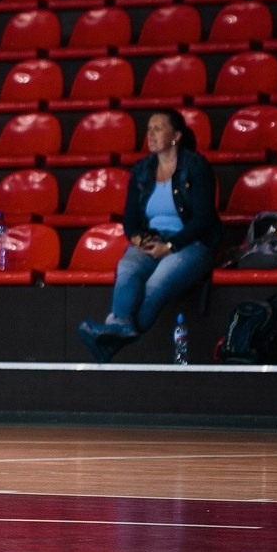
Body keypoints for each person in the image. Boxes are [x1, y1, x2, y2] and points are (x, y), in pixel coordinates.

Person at [78, 109, 223, 363]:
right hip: (154, 239)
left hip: (192, 243)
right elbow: (130, 220)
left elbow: (203, 219)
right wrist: (137, 239)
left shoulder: (196, 166)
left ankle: (114, 335)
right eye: (149, 129)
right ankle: (120, 325)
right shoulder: (142, 169)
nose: (151, 134)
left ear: (176, 135)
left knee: (157, 282)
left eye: (158, 128)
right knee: (127, 268)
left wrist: (170, 245)